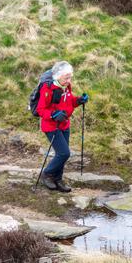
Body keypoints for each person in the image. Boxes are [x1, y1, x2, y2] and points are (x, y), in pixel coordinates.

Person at [36, 61, 89, 192]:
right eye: (66, 77)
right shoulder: (47, 89)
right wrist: (53, 115)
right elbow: (40, 109)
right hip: (51, 126)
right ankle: (47, 174)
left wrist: (78, 100)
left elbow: (69, 100)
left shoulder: (66, 86)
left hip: (64, 124)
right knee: (64, 153)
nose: (69, 80)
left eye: (70, 77)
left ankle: (58, 179)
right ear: (58, 76)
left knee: (62, 154)